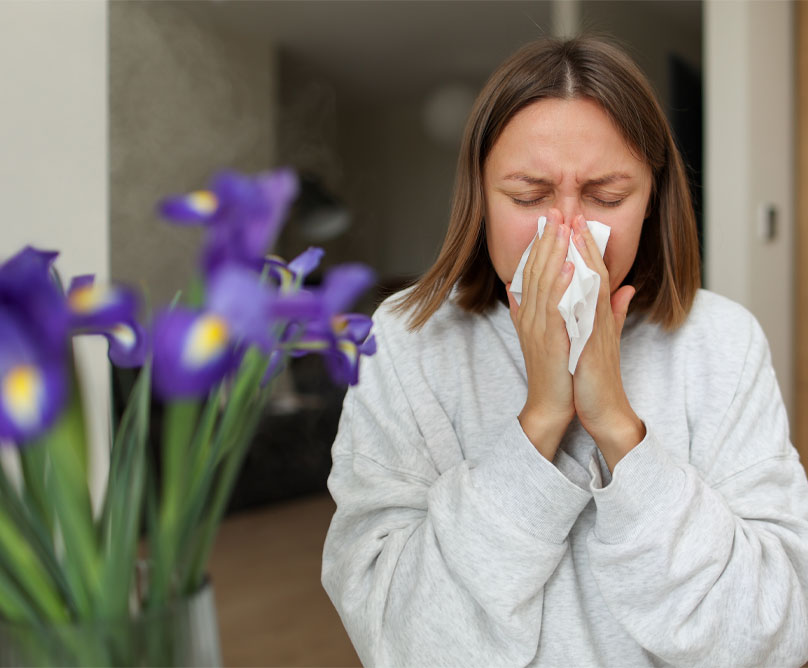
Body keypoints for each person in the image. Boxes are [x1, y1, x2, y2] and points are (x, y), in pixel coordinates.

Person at [321, 36, 808, 667]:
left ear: (653, 201)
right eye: (528, 196)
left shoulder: (722, 342)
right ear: (480, 198)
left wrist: (616, 424)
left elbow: (777, 628)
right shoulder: (405, 342)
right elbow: (402, 641)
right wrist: (542, 417)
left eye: (607, 197)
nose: (569, 233)